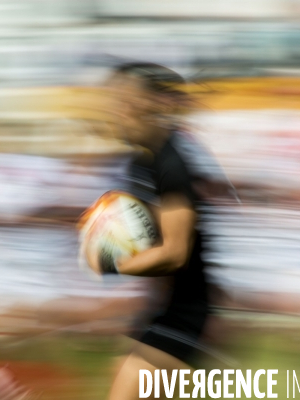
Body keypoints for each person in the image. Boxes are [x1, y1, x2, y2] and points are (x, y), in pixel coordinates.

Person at [98, 62, 236, 400]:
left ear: (149, 107)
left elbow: (175, 253)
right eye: (112, 102)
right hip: (163, 309)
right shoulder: (141, 161)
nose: (114, 112)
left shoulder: (171, 164)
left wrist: (113, 262)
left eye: (123, 103)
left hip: (187, 313)